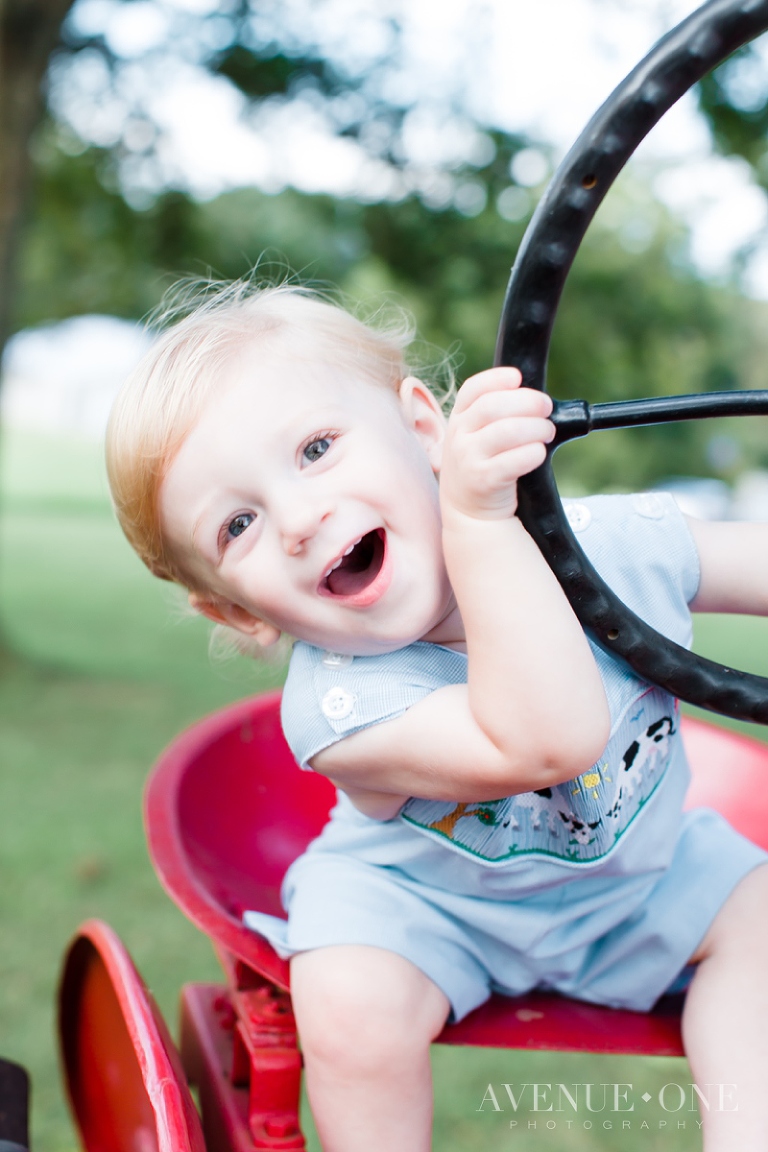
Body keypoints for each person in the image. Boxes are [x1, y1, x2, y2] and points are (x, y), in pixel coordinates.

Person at [107, 280, 768, 1152]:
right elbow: (545, 738)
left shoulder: (608, 543)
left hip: (639, 883)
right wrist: (479, 524)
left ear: (422, 427)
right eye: (238, 524)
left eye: (315, 448)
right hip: (425, 907)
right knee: (348, 1002)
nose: (301, 518)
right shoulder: (340, 703)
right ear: (239, 613)